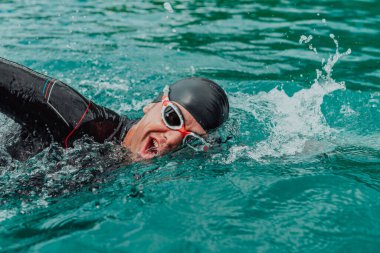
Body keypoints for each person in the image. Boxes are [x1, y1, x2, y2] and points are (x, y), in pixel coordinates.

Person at [0, 57, 229, 161]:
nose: (172, 140)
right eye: (172, 118)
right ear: (151, 106)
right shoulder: (74, 117)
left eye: (191, 140)